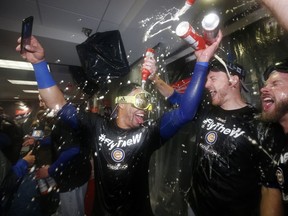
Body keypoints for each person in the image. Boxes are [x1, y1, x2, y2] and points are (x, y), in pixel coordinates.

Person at [16, 30, 222, 215]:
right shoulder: (97, 126)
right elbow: (59, 107)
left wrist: (202, 62)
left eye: (148, 103)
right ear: (121, 103)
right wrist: (39, 64)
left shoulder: (148, 133)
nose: (146, 108)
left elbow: (186, 112)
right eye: (141, 101)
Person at [149, 58, 282, 216]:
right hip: (194, 207)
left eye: (213, 78)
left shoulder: (260, 124)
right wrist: (154, 79)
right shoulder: (207, 110)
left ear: (233, 79)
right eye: (206, 79)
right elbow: (177, 98)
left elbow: (270, 189)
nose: (206, 85)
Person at [259, 58, 288, 215]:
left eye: (275, 84)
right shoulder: (272, 142)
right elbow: (270, 191)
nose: (263, 89)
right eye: (265, 85)